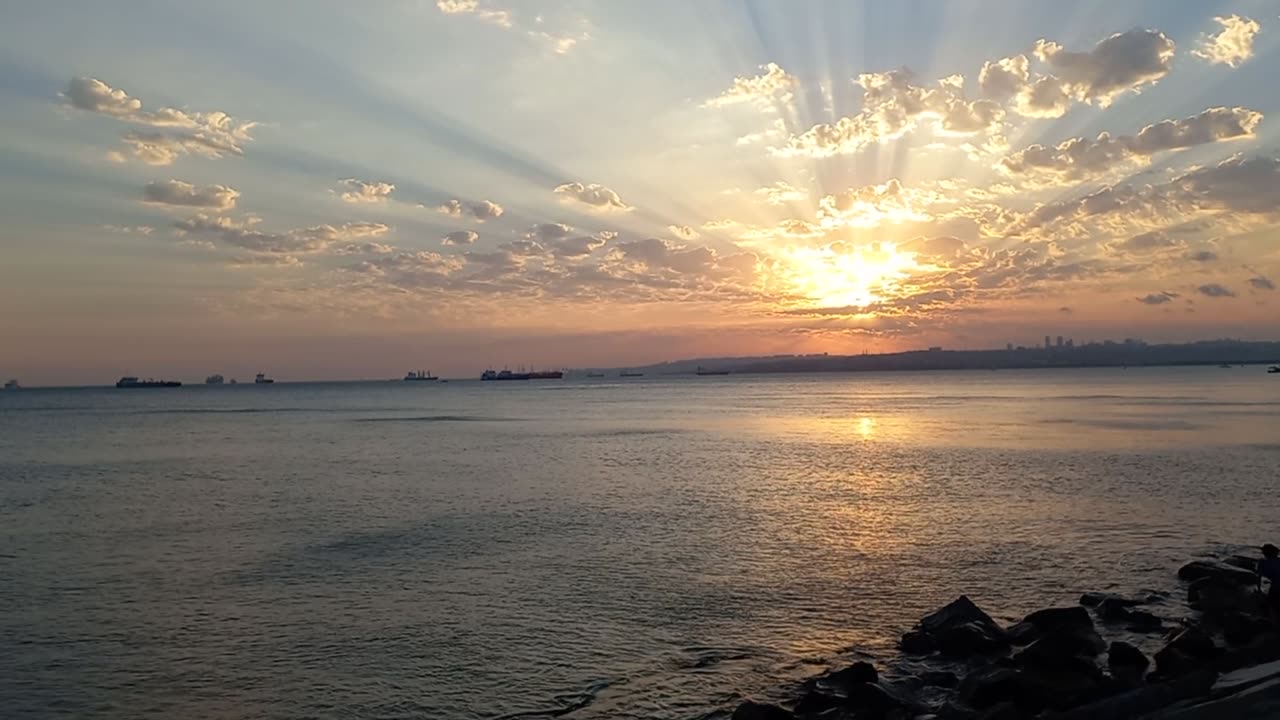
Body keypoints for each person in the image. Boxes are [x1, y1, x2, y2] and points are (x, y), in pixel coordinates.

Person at [1259, 544, 1280, 619]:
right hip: (1276, 587)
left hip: (1276, 590)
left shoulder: (1266, 563)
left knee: (1272, 607)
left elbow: (1261, 575)